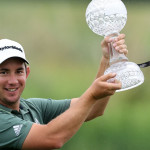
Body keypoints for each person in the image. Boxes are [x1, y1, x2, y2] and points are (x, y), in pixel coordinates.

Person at [0, 34, 127, 150]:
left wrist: (107, 60)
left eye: (18, 71)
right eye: (3, 72)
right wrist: (92, 94)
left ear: (27, 73)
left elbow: (94, 109)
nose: (13, 81)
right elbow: (51, 138)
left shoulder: (32, 107)